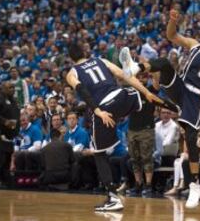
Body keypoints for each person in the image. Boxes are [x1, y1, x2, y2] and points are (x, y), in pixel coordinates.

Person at [119, 9, 200, 208]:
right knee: (165, 63)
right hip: (180, 87)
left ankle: (194, 184)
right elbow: (171, 35)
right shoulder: (193, 45)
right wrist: (172, 21)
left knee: (191, 138)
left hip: (195, 97)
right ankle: (134, 69)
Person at [66, 42, 164, 212]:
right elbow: (124, 75)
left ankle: (113, 198)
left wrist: (98, 111)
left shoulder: (72, 73)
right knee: (149, 99)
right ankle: (178, 105)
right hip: (121, 95)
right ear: (85, 51)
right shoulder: (101, 60)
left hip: (104, 106)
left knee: (98, 153)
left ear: (70, 58)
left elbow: (83, 91)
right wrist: (145, 91)